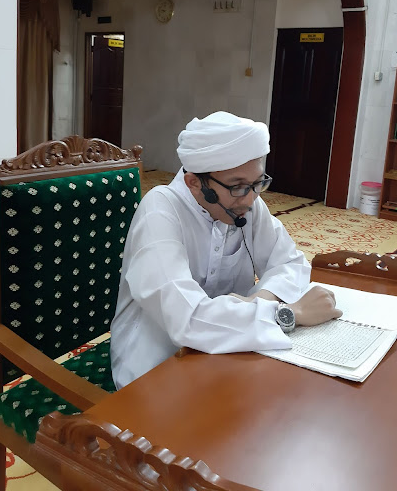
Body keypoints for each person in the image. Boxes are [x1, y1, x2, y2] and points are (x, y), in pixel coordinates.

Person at [111, 112, 341, 388]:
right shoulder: (160, 211)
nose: (251, 198)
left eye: (257, 183)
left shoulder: (245, 204)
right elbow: (187, 319)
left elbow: (290, 263)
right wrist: (291, 313)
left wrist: (258, 301)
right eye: (238, 187)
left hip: (230, 354)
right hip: (156, 367)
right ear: (195, 183)